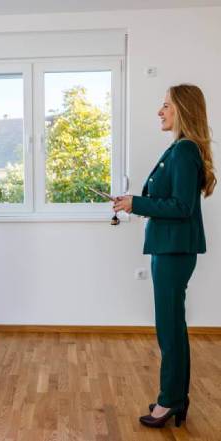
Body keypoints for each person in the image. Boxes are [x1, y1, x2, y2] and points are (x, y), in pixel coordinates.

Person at [114, 84, 216, 428]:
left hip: (174, 250)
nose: (160, 111)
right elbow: (173, 202)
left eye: (166, 105)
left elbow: (181, 206)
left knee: (169, 328)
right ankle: (174, 398)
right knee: (171, 326)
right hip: (169, 248)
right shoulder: (180, 149)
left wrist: (137, 203)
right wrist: (135, 203)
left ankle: (170, 400)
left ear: (183, 110)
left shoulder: (184, 151)